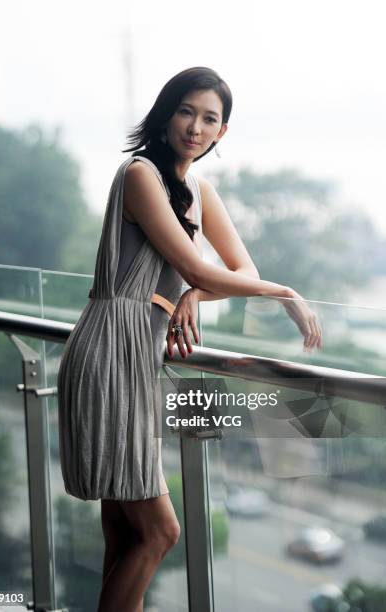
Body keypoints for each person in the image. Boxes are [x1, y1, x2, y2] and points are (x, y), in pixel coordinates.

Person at [57, 66, 323, 612]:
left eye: (210, 119)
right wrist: (285, 293)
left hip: (139, 354)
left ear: (222, 133)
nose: (196, 127)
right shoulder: (140, 175)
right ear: (165, 113)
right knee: (160, 533)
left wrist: (194, 297)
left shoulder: (199, 190)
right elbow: (197, 264)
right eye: (186, 111)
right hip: (111, 349)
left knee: (126, 536)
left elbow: (236, 266)